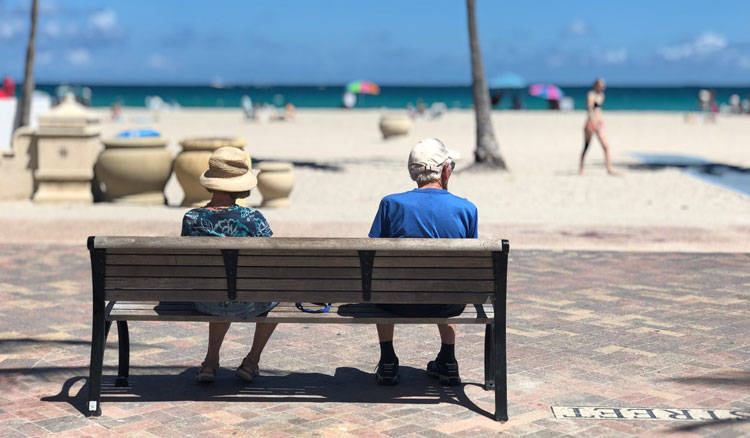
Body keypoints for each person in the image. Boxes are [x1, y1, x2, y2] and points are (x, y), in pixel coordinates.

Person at [368, 138, 478, 386]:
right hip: (447, 304)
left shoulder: (391, 204)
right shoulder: (466, 209)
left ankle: (387, 360)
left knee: (382, 282)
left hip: (395, 303)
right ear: (445, 170)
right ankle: (448, 359)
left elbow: (372, 255)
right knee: (450, 279)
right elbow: (468, 267)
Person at [181, 147, 278, 384]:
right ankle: (252, 360)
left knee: (220, 285)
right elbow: (270, 260)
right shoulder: (254, 220)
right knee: (279, 291)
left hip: (205, 301)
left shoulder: (191, 218)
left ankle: (210, 362)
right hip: (248, 304)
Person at [579, 78, 616, 175]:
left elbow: (599, 110)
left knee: (606, 147)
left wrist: (600, 122)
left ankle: (609, 169)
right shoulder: (591, 95)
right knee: (586, 146)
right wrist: (593, 122)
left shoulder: (602, 96)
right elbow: (590, 110)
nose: (603, 87)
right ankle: (581, 168)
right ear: (596, 85)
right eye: (601, 85)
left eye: (603, 85)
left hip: (599, 124)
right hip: (591, 123)